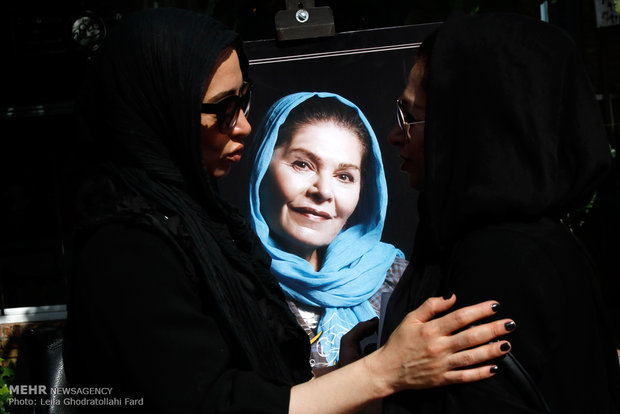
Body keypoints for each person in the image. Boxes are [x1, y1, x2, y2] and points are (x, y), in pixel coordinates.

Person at [66, 8, 516, 413]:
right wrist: (384, 371)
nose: (242, 125)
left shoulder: (203, 224)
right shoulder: (126, 245)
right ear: (159, 111)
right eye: (222, 110)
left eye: (244, 99)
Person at [382, 13, 620, 413]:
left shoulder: (496, 260)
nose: (394, 134)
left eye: (412, 117)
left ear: (469, 128)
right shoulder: (531, 241)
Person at [248, 93, 406, 371]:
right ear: (260, 167)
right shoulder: (225, 279)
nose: (323, 191)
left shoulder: (393, 277)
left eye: (344, 176)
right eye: (302, 164)